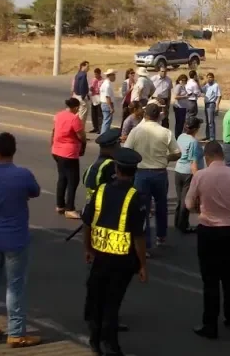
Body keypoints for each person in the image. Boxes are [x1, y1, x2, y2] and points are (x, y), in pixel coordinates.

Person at [81, 147, 149, 356]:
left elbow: (87, 223)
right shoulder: (135, 198)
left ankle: (95, 341)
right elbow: (138, 236)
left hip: (100, 255)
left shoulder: (101, 191)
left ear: (116, 169)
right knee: (112, 302)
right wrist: (142, 264)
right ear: (134, 171)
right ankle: (110, 344)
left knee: (96, 298)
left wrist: (88, 248)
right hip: (123, 260)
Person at [0, 133, 42, 348]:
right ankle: (15, 333)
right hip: (15, 237)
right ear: (13, 151)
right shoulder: (23, 174)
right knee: (15, 286)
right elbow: (35, 192)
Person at [185, 141, 230, 339]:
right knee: (229, 275)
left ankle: (210, 324)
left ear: (207, 157)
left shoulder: (201, 176)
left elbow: (188, 204)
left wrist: (201, 207)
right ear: (222, 155)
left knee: (210, 279)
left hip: (208, 230)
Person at [123, 103, 181, 252]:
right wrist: (166, 158)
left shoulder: (136, 131)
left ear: (145, 115)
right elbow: (177, 153)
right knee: (161, 206)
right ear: (158, 116)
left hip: (141, 174)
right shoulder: (165, 132)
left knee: (143, 210)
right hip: (160, 173)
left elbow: (127, 151)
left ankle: (146, 244)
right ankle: (161, 236)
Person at [51, 98, 86, 219]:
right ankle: (70, 208)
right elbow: (81, 135)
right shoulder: (74, 118)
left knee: (62, 178)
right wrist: (83, 145)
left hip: (56, 151)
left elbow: (54, 131)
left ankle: (60, 205)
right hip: (69, 153)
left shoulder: (58, 115)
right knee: (73, 180)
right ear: (76, 108)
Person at [174, 117, 205, 234]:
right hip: (188, 173)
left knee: (179, 199)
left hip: (178, 170)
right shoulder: (193, 142)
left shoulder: (181, 137)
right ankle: (183, 225)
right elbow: (193, 162)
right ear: (195, 129)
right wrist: (198, 177)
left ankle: (178, 222)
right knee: (186, 201)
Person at [83, 128, 121, 201]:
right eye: (118, 145)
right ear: (110, 148)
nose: (119, 147)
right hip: (103, 203)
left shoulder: (97, 164)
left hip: (93, 202)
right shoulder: (110, 165)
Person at [202, 72, 222, 141]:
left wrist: (217, 106)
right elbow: (201, 90)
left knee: (211, 121)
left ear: (213, 78)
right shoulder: (206, 85)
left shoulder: (216, 85)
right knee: (207, 121)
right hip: (206, 104)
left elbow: (219, 96)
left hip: (211, 104)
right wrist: (203, 82)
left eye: (210, 77)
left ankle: (212, 137)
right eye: (208, 77)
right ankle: (208, 136)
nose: (209, 79)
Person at [72, 61, 91, 128]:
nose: (88, 68)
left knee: (77, 114)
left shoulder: (78, 74)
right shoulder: (83, 75)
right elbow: (82, 86)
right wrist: (83, 96)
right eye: (87, 66)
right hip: (81, 97)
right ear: (83, 66)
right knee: (82, 116)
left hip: (76, 95)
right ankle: (80, 130)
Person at [171, 73, 190, 138]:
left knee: (181, 123)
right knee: (179, 123)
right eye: (181, 80)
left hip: (183, 107)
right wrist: (184, 96)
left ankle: (179, 136)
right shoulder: (178, 86)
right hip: (179, 107)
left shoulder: (183, 87)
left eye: (184, 80)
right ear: (179, 80)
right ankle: (177, 136)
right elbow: (175, 96)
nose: (183, 81)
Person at [100, 69, 117, 134]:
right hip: (107, 104)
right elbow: (107, 97)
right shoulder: (107, 85)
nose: (115, 77)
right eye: (114, 75)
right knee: (107, 122)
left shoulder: (105, 83)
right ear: (110, 76)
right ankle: (103, 136)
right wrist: (111, 107)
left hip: (104, 104)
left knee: (106, 121)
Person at [89, 67, 103, 134]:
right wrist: (91, 88)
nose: (95, 76)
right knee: (93, 113)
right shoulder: (93, 80)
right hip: (94, 97)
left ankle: (100, 128)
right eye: (95, 74)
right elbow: (90, 87)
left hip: (99, 96)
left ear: (99, 74)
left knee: (99, 114)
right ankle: (95, 127)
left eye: (97, 74)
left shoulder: (102, 81)